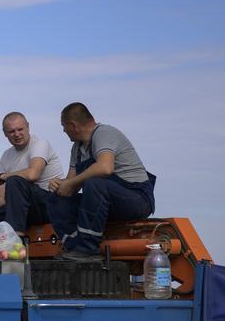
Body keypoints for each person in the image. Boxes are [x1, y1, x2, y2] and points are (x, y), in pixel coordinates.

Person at [49, 103, 156, 259]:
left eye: (64, 126)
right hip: (103, 202)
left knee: (95, 182)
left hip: (137, 198)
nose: (64, 131)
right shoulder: (77, 149)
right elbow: (70, 185)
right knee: (56, 198)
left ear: (73, 125)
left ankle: (88, 248)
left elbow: (105, 168)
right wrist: (60, 184)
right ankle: (74, 247)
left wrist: (71, 183)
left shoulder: (104, 133)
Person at [0, 112, 68, 239]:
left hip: (49, 205)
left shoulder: (40, 144)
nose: (17, 134)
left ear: (28, 127)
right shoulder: (6, 156)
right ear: (5, 133)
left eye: (20, 129)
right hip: (21, 209)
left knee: (15, 181)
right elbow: (0, 197)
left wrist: (4, 176)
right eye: (11, 131)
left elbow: (33, 174)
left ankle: (15, 239)